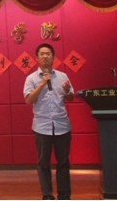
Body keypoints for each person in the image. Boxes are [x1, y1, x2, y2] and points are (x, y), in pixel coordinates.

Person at [23, 43, 74, 200]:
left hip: (62, 125)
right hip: (42, 127)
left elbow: (71, 98)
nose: (45, 56)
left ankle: (64, 195)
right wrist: (42, 84)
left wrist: (67, 91)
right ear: (37, 58)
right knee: (43, 163)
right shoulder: (31, 78)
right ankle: (47, 195)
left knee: (63, 162)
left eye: (48, 54)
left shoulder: (63, 76)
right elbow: (28, 100)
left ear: (53, 57)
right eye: (42, 54)